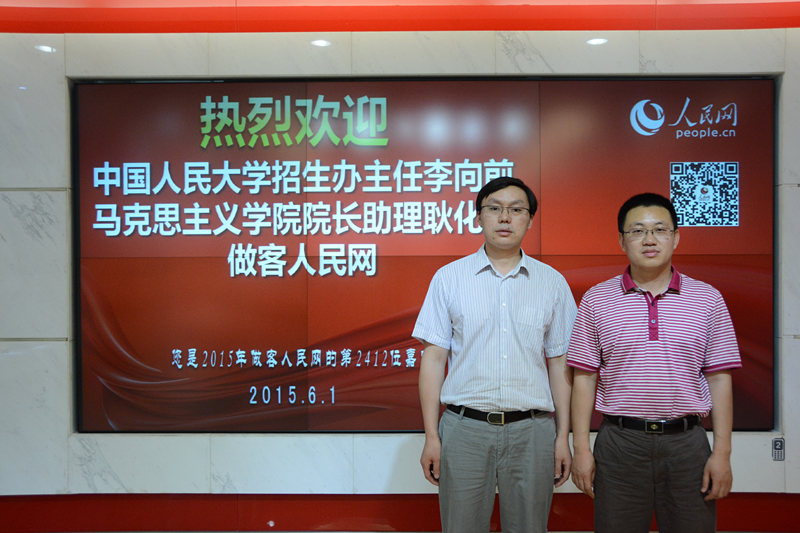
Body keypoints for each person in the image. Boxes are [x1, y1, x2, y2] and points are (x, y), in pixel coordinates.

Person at [568, 192, 742, 533]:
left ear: (675, 237)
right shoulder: (597, 299)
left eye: (660, 229)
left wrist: (722, 454)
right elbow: (584, 378)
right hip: (620, 444)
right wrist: (581, 449)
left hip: (687, 445)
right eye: (637, 231)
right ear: (622, 240)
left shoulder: (708, 299)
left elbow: (720, 378)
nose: (649, 239)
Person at [412, 177, 577, 533]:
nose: (505, 217)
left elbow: (559, 363)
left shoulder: (551, 283)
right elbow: (433, 360)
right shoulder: (449, 278)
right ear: (479, 217)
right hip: (464, 430)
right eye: (495, 209)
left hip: (532, 431)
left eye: (516, 210)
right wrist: (432, 436)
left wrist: (563, 436)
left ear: (530, 220)